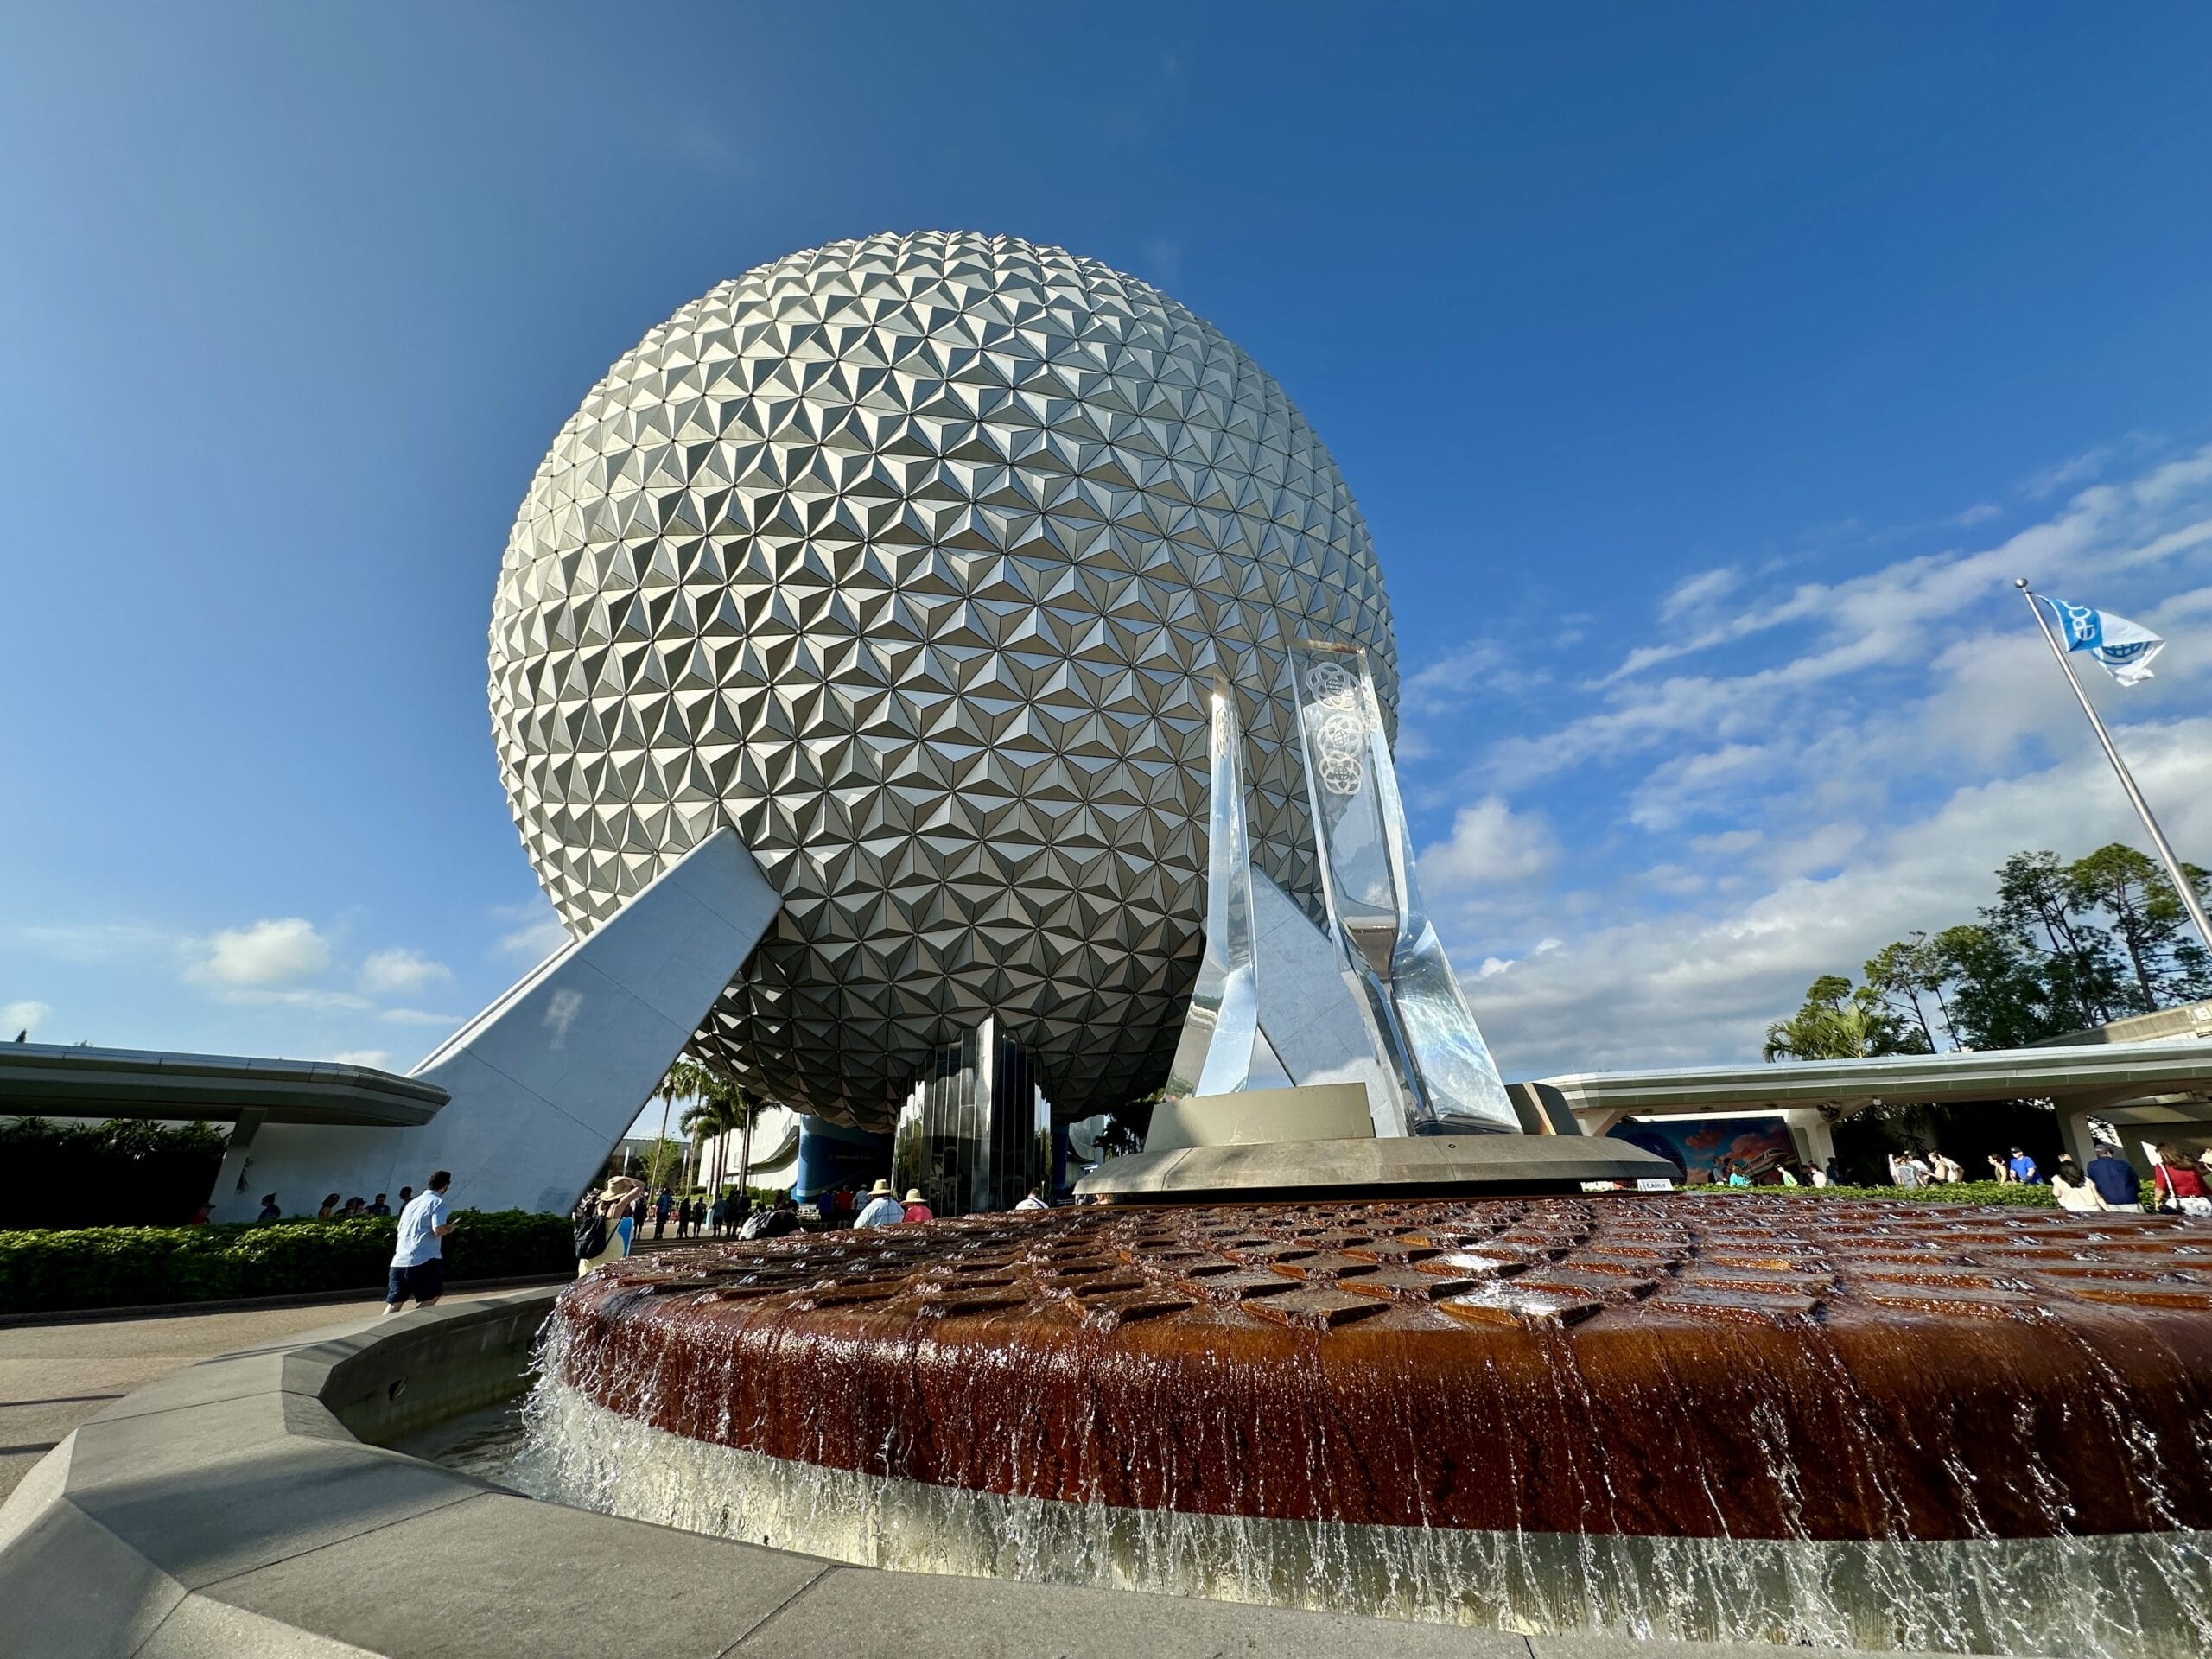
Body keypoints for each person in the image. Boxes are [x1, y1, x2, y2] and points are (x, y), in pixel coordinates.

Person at [385, 1171, 455, 1314]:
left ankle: (381, 1330)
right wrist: (450, 1228)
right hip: (424, 1258)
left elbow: (400, 1228)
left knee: (395, 1303)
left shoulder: (411, 1204)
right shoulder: (438, 1202)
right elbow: (438, 1230)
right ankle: (408, 1323)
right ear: (445, 1186)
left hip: (400, 1259)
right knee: (433, 1295)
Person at [577, 1176, 641, 1275]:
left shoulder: (597, 1204)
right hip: (611, 1244)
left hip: (591, 1242)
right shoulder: (617, 1207)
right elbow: (640, 1186)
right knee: (606, 1277)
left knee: (586, 1277)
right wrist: (624, 1178)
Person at [2152, 1144, 2211, 1216]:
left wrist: (2157, 1202)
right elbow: (2203, 1186)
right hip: (2202, 1204)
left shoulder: (2162, 1167)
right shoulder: (2189, 1165)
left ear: (2160, 1154)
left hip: (2180, 1206)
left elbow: (2160, 1188)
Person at [2086, 1144, 2144, 1211]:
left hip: (2108, 1201)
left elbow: (2093, 1182)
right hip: (2129, 1199)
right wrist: (2137, 1190)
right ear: (2109, 1153)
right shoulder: (2123, 1164)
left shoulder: (2092, 1166)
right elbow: (2135, 1180)